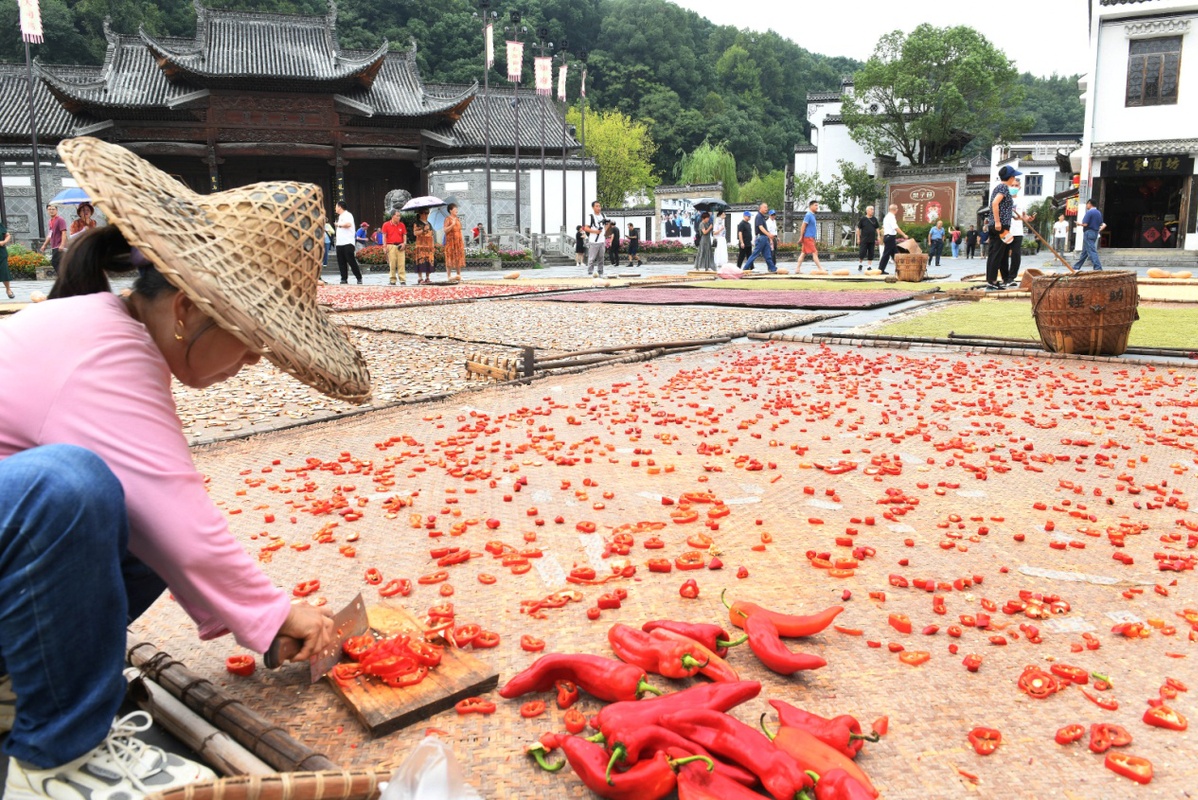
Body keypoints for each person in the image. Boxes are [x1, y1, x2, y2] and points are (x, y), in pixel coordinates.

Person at [0, 137, 367, 800]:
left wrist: (263, 623)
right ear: (189, 310)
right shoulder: (104, 349)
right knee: (72, 490)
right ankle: (57, 759)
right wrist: (277, 610)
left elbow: (162, 523)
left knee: (129, 520)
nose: (254, 363)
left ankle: (17, 681)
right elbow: (180, 515)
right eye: (253, 342)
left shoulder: (110, 329)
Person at [985, 165, 1020, 290]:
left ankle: (995, 280)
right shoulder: (1003, 187)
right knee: (996, 253)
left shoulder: (1001, 187)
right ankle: (992, 281)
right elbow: (995, 203)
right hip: (1000, 226)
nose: (1014, 179)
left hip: (1002, 224)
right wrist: (998, 222)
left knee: (1001, 253)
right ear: (1010, 177)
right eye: (1014, 177)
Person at [1004, 184, 1035, 286]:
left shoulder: (1022, 200)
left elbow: (1024, 215)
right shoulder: (1004, 198)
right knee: (1004, 254)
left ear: (1019, 187)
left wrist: (1028, 218)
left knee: (1016, 254)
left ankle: (1011, 277)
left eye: (1016, 185)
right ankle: (1005, 277)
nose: (1014, 187)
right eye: (1012, 185)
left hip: (1017, 231)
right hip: (1006, 230)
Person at [741, 203, 776, 272]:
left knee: (768, 255)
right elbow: (760, 227)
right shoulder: (759, 216)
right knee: (755, 254)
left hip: (765, 238)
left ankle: (772, 268)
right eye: (765, 207)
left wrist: (768, 236)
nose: (766, 208)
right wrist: (769, 235)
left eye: (767, 207)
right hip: (761, 237)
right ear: (760, 208)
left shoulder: (762, 217)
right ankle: (745, 268)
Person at [334, 201, 362, 284]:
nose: (335, 208)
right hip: (339, 243)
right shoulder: (340, 216)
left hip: (348, 242)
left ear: (340, 207)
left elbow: (348, 224)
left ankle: (358, 277)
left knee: (351, 260)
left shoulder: (348, 215)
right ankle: (344, 278)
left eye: (336, 206)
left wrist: (338, 225)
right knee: (341, 261)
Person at [1074, 198, 1106, 271]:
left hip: (1088, 232)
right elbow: (1102, 224)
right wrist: (1099, 229)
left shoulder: (1089, 212)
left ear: (1090, 204)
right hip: (1095, 233)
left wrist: (1079, 224)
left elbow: (1085, 224)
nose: (1086, 205)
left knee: (1092, 251)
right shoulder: (1098, 212)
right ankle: (1076, 267)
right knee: (1085, 252)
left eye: (1087, 204)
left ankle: (1098, 268)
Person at [39, 204, 68, 274]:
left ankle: (63, 278)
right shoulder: (51, 221)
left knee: (55, 262)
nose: (51, 211)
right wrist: (44, 245)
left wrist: (62, 244)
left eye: (53, 209)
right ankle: (64, 278)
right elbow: (50, 234)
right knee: (59, 263)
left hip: (59, 246)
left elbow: (64, 232)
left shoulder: (60, 220)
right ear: (47, 210)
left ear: (56, 210)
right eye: (49, 209)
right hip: (54, 246)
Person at [381, 210, 408, 286]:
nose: (399, 217)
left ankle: (402, 280)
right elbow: (384, 236)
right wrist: (384, 246)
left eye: (399, 216)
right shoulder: (386, 225)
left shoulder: (402, 225)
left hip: (400, 245)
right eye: (397, 216)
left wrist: (404, 243)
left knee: (401, 264)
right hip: (391, 245)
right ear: (392, 216)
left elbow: (404, 235)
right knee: (392, 264)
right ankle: (392, 280)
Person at [795, 200, 822, 274]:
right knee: (815, 252)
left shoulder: (812, 215)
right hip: (808, 237)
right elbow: (803, 226)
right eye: (815, 205)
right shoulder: (808, 215)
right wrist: (801, 237)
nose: (817, 207)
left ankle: (797, 269)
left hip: (810, 237)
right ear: (811, 206)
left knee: (803, 253)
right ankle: (820, 268)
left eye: (817, 205)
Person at [878, 204, 905, 274]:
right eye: (897, 209)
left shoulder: (887, 217)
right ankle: (880, 269)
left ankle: (900, 269)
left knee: (895, 254)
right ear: (895, 210)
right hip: (890, 237)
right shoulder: (891, 217)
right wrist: (904, 234)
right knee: (887, 254)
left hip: (889, 237)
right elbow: (895, 227)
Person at [443, 203, 465, 282]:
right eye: (455, 209)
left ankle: (458, 275)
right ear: (450, 210)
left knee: (458, 258)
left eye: (457, 209)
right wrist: (452, 224)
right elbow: (445, 230)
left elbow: (459, 230)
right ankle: (449, 276)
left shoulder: (458, 219)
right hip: (450, 241)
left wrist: (461, 241)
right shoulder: (447, 219)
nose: (456, 211)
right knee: (450, 257)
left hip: (458, 241)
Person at [583, 201, 606, 276]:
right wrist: (595, 231)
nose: (599, 208)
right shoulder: (590, 216)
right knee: (592, 258)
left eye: (599, 206)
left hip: (602, 240)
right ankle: (590, 272)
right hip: (593, 240)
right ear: (593, 207)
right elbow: (586, 228)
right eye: (597, 206)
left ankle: (600, 272)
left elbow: (605, 227)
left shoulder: (603, 215)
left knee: (601, 258)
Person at [413, 210, 435, 284]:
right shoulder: (417, 223)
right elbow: (415, 233)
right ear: (420, 214)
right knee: (421, 260)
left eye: (427, 213)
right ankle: (420, 277)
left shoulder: (429, 223)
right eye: (424, 213)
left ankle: (427, 277)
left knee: (429, 261)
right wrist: (423, 230)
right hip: (421, 245)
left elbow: (432, 234)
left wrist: (433, 244)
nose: (426, 215)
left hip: (429, 245)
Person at [856, 205, 880, 271]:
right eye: (871, 209)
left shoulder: (874, 219)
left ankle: (869, 266)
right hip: (864, 239)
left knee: (871, 252)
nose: (873, 211)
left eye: (873, 209)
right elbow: (858, 229)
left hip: (872, 239)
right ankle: (860, 264)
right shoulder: (863, 219)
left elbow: (877, 228)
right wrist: (858, 238)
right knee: (862, 252)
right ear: (867, 211)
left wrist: (878, 235)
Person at [0, 219, 12, 298]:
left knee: (4, 271)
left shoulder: (0, 225)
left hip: (1, 253)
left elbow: (8, 235)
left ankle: (8, 289)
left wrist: (3, 242)